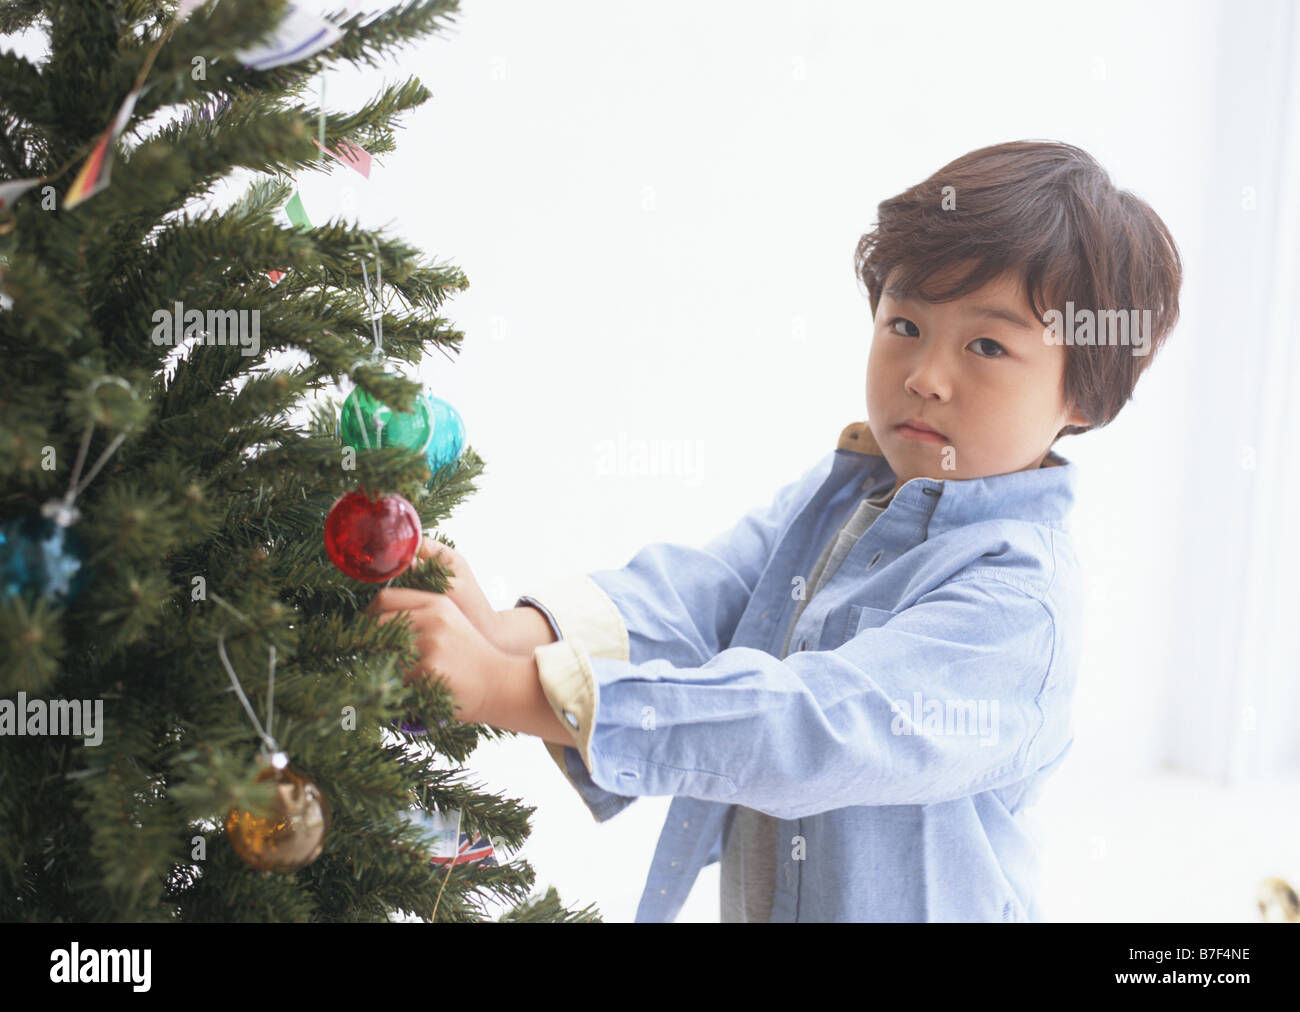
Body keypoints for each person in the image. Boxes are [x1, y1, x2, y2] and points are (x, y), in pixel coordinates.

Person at [366, 139, 1183, 922]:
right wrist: (509, 637)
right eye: (905, 325)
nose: (926, 377)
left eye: (986, 344)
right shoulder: (851, 488)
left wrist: (511, 691)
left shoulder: (1018, 602)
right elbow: (704, 596)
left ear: (1085, 395)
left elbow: (812, 727)